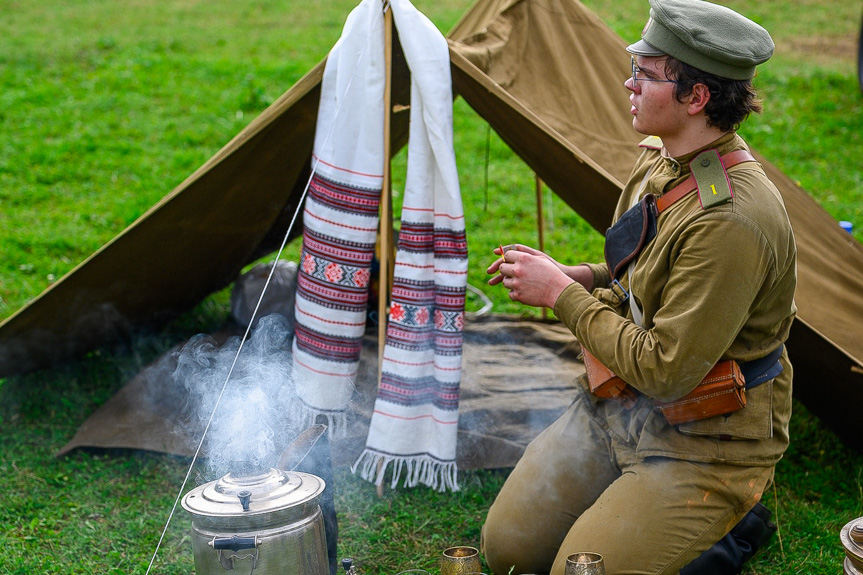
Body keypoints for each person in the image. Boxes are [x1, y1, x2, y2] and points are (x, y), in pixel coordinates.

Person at [481, 0, 797, 574]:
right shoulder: (663, 159)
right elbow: (644, 275)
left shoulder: (731, 220)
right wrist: (588, 277)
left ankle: (731, 524)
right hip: (618, 408)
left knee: (581, 572)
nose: (628, 84)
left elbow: (667, 370)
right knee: (508, 552)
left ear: (696, 97)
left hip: (703, 442)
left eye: (646, 75)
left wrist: (561, 294)